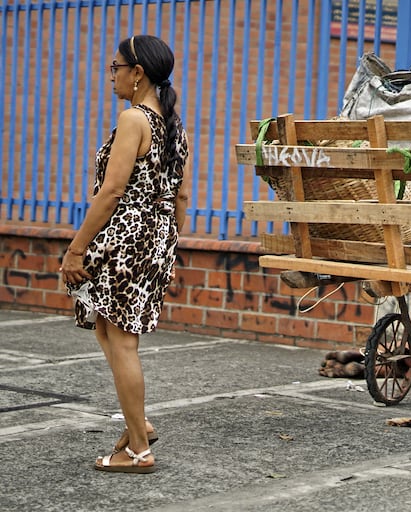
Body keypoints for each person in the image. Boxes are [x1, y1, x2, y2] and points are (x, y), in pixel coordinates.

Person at [59, 35, 188, 474]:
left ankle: (138, 449)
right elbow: (182, 196)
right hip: (154, 239)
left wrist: (77, 249)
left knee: (122, 338)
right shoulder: (172, 124)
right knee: (106, 326)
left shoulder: (134, 118)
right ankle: (140, 424)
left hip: (125, 237)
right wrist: (167, 247)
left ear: (138, 73)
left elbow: (113, 190)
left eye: (116, 67)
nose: (111, 74)